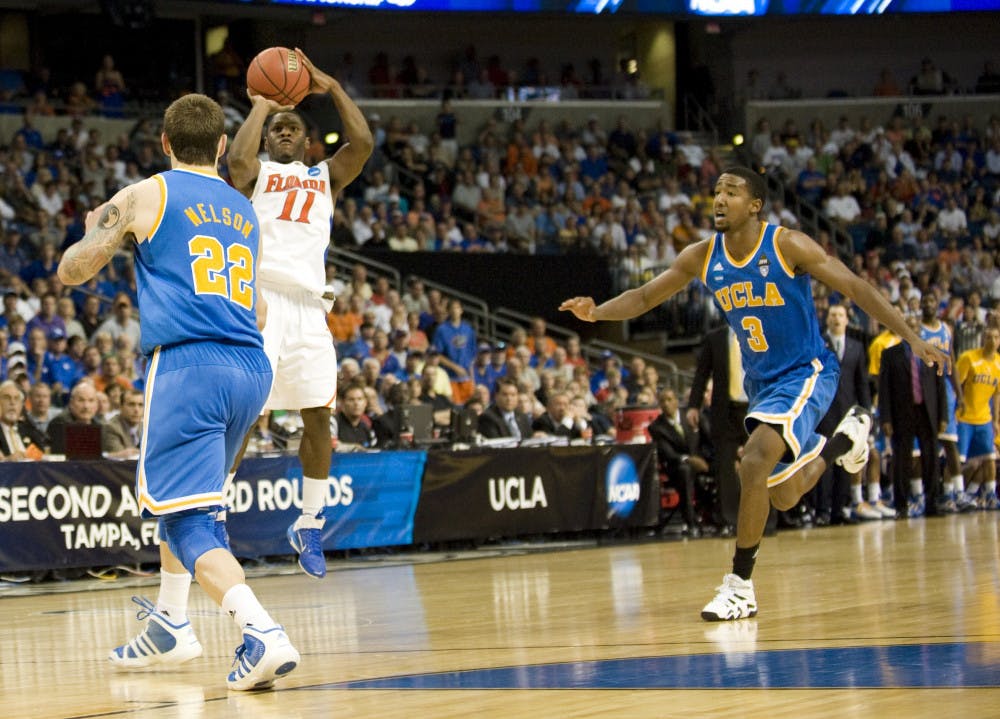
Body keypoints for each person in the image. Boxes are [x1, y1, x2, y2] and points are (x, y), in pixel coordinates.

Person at [560, 166, 948, 622]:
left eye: (731, 192)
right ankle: (844, 441)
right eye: (716, 192)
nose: (719, 199)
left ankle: (740, 585)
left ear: (755, 205)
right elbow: (646, 297)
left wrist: (911, 337)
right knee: (780, 495)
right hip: (762, 384)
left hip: (807, 370)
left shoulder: (787, 245)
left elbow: (856, 287)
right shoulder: (703, 256)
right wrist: (597, 312)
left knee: (754, 460)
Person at [58, 93, 298, 690]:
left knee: (190, 522)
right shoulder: (243, 211)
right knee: (188, 503)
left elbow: (74, 270)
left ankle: (260, 632)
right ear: (222, 147)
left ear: (165, 143)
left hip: (192, 367)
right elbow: (261, 310)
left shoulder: (149, 193)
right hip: (250, 368)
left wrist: (93, 232)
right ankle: (169, 621)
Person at [227, 47, 373, 578]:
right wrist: (263, 106)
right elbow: (236, 163)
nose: (285, 133)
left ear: (309, 140)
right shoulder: (258, 171)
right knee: (247, 411)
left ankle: (309, 521)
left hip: (311, 308)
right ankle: (217, 506)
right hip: (261, 302)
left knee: (318, 416)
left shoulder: (324, 177)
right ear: (268, 136)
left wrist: (331, 86)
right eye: (277, 128)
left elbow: (364, 143)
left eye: (293, 127)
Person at [879, 314, 948, 519]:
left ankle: (932, 504)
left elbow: (940, 387)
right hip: (902, 413)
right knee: (902, 461)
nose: (913, 328)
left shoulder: (931, 352)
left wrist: (943, 416)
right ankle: (901, 506)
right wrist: (886, 419)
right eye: (908, 325)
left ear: (920, 329)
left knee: (931, 459)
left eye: (916, 325)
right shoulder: (890, 354)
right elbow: (884, 389)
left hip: (927, 412)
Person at [954, 325, 1000, 510]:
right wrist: (955, 408)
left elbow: (997, 394)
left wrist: (996, 420)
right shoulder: (969, 358)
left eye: (996, 337)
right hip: (965, 418)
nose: (992, 341)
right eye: (988, 337)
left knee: (990, 458)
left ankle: (989, 494)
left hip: (985, 419)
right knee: (959, 460)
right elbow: (956, 382)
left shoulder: (999, 364)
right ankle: (955, 493)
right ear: (983, 339)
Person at [0, 380, 47, 460]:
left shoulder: (29, 429)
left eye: (16, 398)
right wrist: (7, 460)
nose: (12, 402)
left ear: (21, 405)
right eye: (7, 398)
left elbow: (42, 457)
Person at [477, 376, 531, 440]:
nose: (509, 399)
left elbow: (530, 439)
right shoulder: (487, 418)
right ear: (496, 396)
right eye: (505, 395)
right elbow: (497, 445)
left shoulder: (522, 417)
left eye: (513, 395)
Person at [102, 386, 143, 459]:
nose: (136, 410)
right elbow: (121, 459)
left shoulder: (146, 427)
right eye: (131, 404)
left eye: (140, 405)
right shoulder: (111, 427)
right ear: (121, 407)